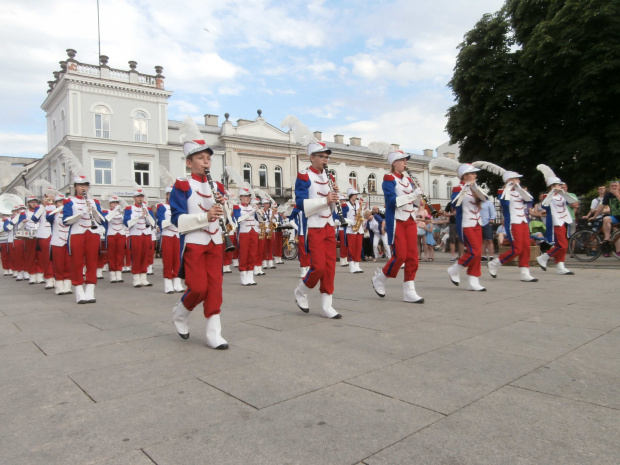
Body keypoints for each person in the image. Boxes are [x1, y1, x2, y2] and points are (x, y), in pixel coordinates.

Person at [169, 118, 228, 349]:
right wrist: (205, 217)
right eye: (201, 158)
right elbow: (176, 219)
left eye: (208, 158)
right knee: (199, 287)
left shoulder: (218, 187)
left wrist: (224, 206)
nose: (206, 162)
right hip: (194, 242)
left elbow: (227, 219)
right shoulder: (182, 185)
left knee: (215, 287)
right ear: (189, 162)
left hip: (215, 241)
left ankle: (214, 333)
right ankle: (181, 312)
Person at [293, 141, 342, 318]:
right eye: (321, 156)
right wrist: (325, 200)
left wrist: (336, 197)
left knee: (330, 267)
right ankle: (301, 290)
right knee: (318, 267)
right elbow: (300, 204)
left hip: (328, 225)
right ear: (311, 157)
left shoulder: (330, 177)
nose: (325, 160)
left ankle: (327, 305)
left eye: (327, 157)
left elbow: (331, 205)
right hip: (313, 226)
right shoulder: (304, 176)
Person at [371, 149, 425, 303]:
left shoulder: (407, 180)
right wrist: (413, 195)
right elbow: (392, 201)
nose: (405, 163)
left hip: (409, 219)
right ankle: (380, 279)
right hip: (396, 220)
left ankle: (409, 291)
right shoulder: (389, 178)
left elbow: (415, 203)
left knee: (413, 257)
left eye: (406, 160)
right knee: (400, 256)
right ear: (394, 163)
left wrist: (418, 192)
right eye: (403, 160)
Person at [486, 168, 538, 282]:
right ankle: (495, 263)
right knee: (517, 249)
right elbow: (505, 203)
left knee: (526, 248)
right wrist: (508, 187)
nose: (518, 181)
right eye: (516, 179)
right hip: (513, 223)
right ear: (509, 180)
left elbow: (529, 200)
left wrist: (518, 188)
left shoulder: (519, 191)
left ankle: (525, 273)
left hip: (523, 222)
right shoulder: (502, 191)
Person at [445, 163, 488, 291]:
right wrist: (465, 188)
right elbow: (454, 204)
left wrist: (474, 187)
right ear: (465, 176)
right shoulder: (457, 188)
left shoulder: (475, 187)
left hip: (477, 222)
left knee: (477, 253)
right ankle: (454, 269)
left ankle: (473, 281)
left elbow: (484, 198)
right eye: (472, 173)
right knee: (474, 252)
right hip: (466, 223)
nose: (475, 175)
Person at [62, 175, 105, 303]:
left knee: (92, 262)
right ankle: (79, 291)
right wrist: (81, 213)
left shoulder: (95, 202)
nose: (83, 187)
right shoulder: (69, 202)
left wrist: (94, 211)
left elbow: (101, 221)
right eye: (80, 185)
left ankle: (90, 291)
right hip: (77, 233)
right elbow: (66, 221)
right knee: (77, 262)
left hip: (92, 233)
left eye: (85, 185)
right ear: (75, 187)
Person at [535, 165, 578, 275]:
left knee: (562, 245)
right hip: (555, 223)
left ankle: (560, 266)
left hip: (563, 221)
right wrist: (552, 192)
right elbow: (544, 206)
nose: (560, 186)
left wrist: (563, 193)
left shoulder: (561, 195)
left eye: (560, 185)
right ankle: (544, 257)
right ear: (552, 186)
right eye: (558, 185)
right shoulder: (546, 195)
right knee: (562, 245)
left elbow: (573, 201)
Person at [124, 189, 156, 288]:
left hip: (146, 234)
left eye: (141, 196)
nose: (140, 198)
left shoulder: (148, 208)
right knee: (136, 256)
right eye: (138, 197)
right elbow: (126, 222)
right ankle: (136, 279)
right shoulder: (129, 208)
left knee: (145, 255)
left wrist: (147, 215)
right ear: (134, 198)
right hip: (135, 234)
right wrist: (138, 217)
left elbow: (153, 222)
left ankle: (144, 278)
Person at [157, 187, 183, 293]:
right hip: (167, 235)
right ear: (166, 195)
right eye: (169, 194)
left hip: (177, 235)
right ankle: (168, 284)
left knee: (178, 259)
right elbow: (161, 222)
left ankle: (177, 283)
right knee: (168, 260)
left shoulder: (180, 206)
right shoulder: (162, 206)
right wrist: (172, 218)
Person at [232, 187, 259, 286]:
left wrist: (258, 211)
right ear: (241, 197)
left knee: (252, 254)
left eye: (248, 196)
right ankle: (243, 276)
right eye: (245, 196)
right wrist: (251, 212)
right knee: (243, 254)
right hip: (244, 232)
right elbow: (238, 219)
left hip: (254, 231)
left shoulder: (253, 206)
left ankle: (250, 276)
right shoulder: (237, 207)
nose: (247, 198)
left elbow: (260, 219)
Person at [46, 194, 72, 295]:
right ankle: (59, 286)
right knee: (58, 265)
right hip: (57, 241)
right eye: (60, 202)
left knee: (68, 264)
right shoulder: (53, 213)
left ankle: (67, 286)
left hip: (68, 241)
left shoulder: (69, 212)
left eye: (63, 202)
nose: (62, 204)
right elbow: (48, 217)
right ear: (56, 204)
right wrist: (56, 209)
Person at [589, 180, 620, 257]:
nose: (614, 187)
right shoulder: (608, 195)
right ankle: (607, 238)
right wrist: (594, 216)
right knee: (606, 219)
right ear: (609, 187)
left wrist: (617, 195)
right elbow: (601, 207)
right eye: (612, 186)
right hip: (615, 217)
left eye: (615, 186)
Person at [104, 196, 126, 284]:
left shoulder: (122, 212)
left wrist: (123, 212)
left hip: (121, 234)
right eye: (113, 203)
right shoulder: (107, 212)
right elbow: (107, 219)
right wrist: (115, 210)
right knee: (111, 255)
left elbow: (126, 221)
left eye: (117, 203)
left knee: (120, 254)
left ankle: (119, 273)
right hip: (111, 234)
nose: (115, 204)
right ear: (110, 204)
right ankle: (112, 274)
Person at [342, 188, 365, 273]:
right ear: (351, 195)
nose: (356, 196)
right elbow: (341, 217)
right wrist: (350, 222)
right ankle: (352, 267)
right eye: (355, 194)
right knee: (351, 248)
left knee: (358, 248)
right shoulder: (345, 205)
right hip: (350, 229)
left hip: (359, 229)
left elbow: (360, 214)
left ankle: (357, 266)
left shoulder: (358, 205)